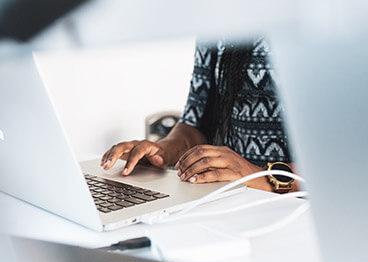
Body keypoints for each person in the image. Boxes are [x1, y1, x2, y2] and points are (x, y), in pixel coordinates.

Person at [101, 37, 298, 193]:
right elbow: (196, 124)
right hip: (229, 198)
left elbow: (329, 164)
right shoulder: (216, 19)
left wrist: (257, 175)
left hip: (304, 211)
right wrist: (163, 151)